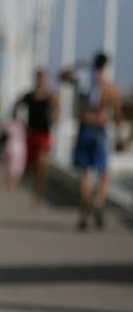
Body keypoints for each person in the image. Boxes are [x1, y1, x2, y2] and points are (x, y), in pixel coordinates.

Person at [68, 53, 123, 231]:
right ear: (105, 66)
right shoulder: (109, 87)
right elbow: (118, 114)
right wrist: (120, 137)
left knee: (84, 174)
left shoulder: (84, 82)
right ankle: (98, 202)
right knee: (103, 172)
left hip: (84, 128)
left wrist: (78, 66)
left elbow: (63, 76)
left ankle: (84, 214)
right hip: (100, 130)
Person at [13, 70, 59, 209]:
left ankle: (39, 194)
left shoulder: (50, 96)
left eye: (43, 79)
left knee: (42, 164)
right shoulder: (29, 96)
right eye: (39, 79)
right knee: (32, 166)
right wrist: (20, 123)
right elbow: (16, 107)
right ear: (35, 80)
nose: (41, 81)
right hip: (31, 134)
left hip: (44, 134)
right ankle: (33, 190)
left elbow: (57, 110)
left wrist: (54, 119)